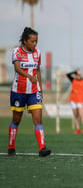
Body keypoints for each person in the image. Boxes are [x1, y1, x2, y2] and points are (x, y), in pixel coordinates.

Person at [8, 27, 51, 157]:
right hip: (18, 91)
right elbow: (17, 68)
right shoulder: (17, 52)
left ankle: (42, 148)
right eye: (32, 41)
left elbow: (37, 71)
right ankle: (11, 147)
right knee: (16, 119)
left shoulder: (37, 53)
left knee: (38, 119)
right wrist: (28, 76)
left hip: (34, 91)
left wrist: (40, 89)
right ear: (25, 41)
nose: (35, 44)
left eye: (36, 41)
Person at [66, 69, 83, 134]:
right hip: (73, 99)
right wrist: (74, 71)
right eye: (77, 74)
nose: (78, 76)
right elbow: (68, 75)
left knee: (81, 114)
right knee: (76, 115)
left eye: (79, 74)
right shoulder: (73, 80)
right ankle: (78, 129)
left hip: (80, 100)